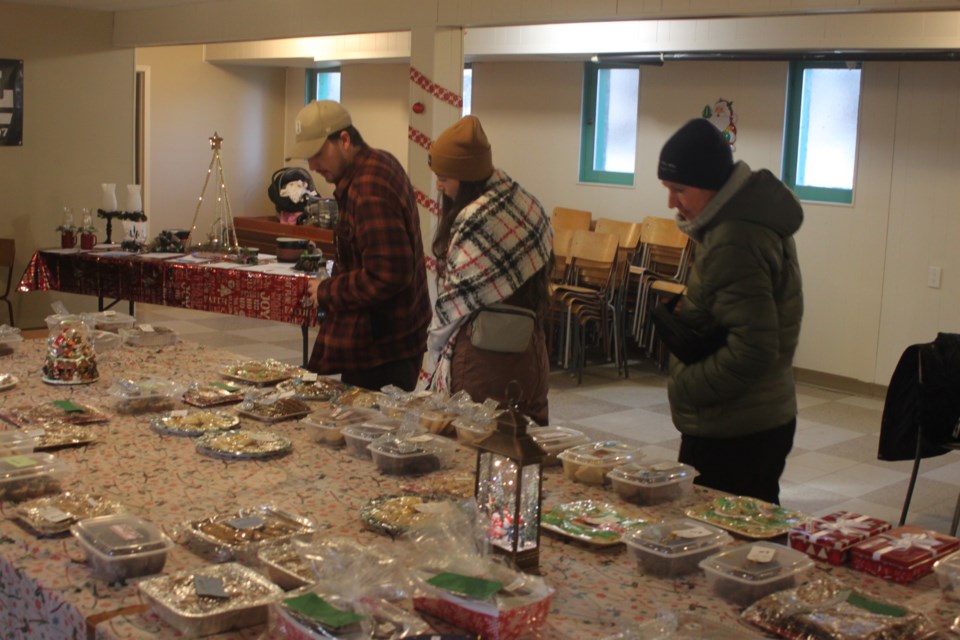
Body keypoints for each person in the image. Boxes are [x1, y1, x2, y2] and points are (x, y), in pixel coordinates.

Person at [656, 118, 804, 504]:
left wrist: (686, 387)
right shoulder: (748, 221)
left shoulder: (734, 238)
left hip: (735, 427)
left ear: (711, 186)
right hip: (761, 417)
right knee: (752, 536)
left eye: (679, 190)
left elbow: (753, 348)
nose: (671, 202)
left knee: (718, 546)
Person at [287, 100, 431, 392]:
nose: (313, 166)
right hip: (390, 340)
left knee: (368, 433)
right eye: (308, 158)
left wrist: (327, 291)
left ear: (344, 139)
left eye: (317, 154)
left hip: (382, 349)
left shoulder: (368, 188)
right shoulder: (379, 162)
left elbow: (388, 274)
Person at [422, 115, 553, 424]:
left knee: (471, 455)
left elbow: (453, 308)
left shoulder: (474, 218)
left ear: (466, 175)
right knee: (523, 450)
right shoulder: (528, 205)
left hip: (481, 363)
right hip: (529, 353)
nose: (438, 184)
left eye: (444, 176)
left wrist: (432, 356)